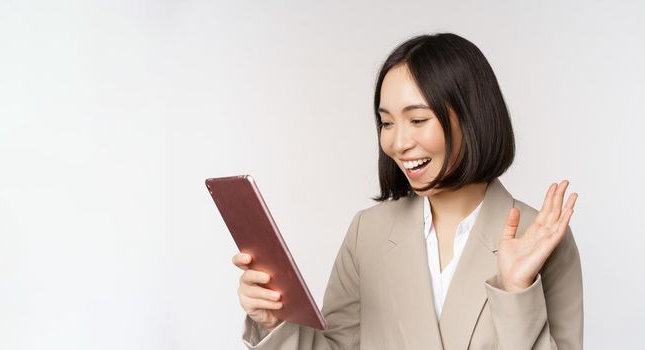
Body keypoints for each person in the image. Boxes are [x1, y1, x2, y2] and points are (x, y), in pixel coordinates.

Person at [232, 33, 583, 350]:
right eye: (386, 123)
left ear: (471, 117)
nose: (398, 143)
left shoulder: (541, 239)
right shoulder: (367, 233)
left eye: (417, 120)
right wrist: (274, 323)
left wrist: (515, 292)